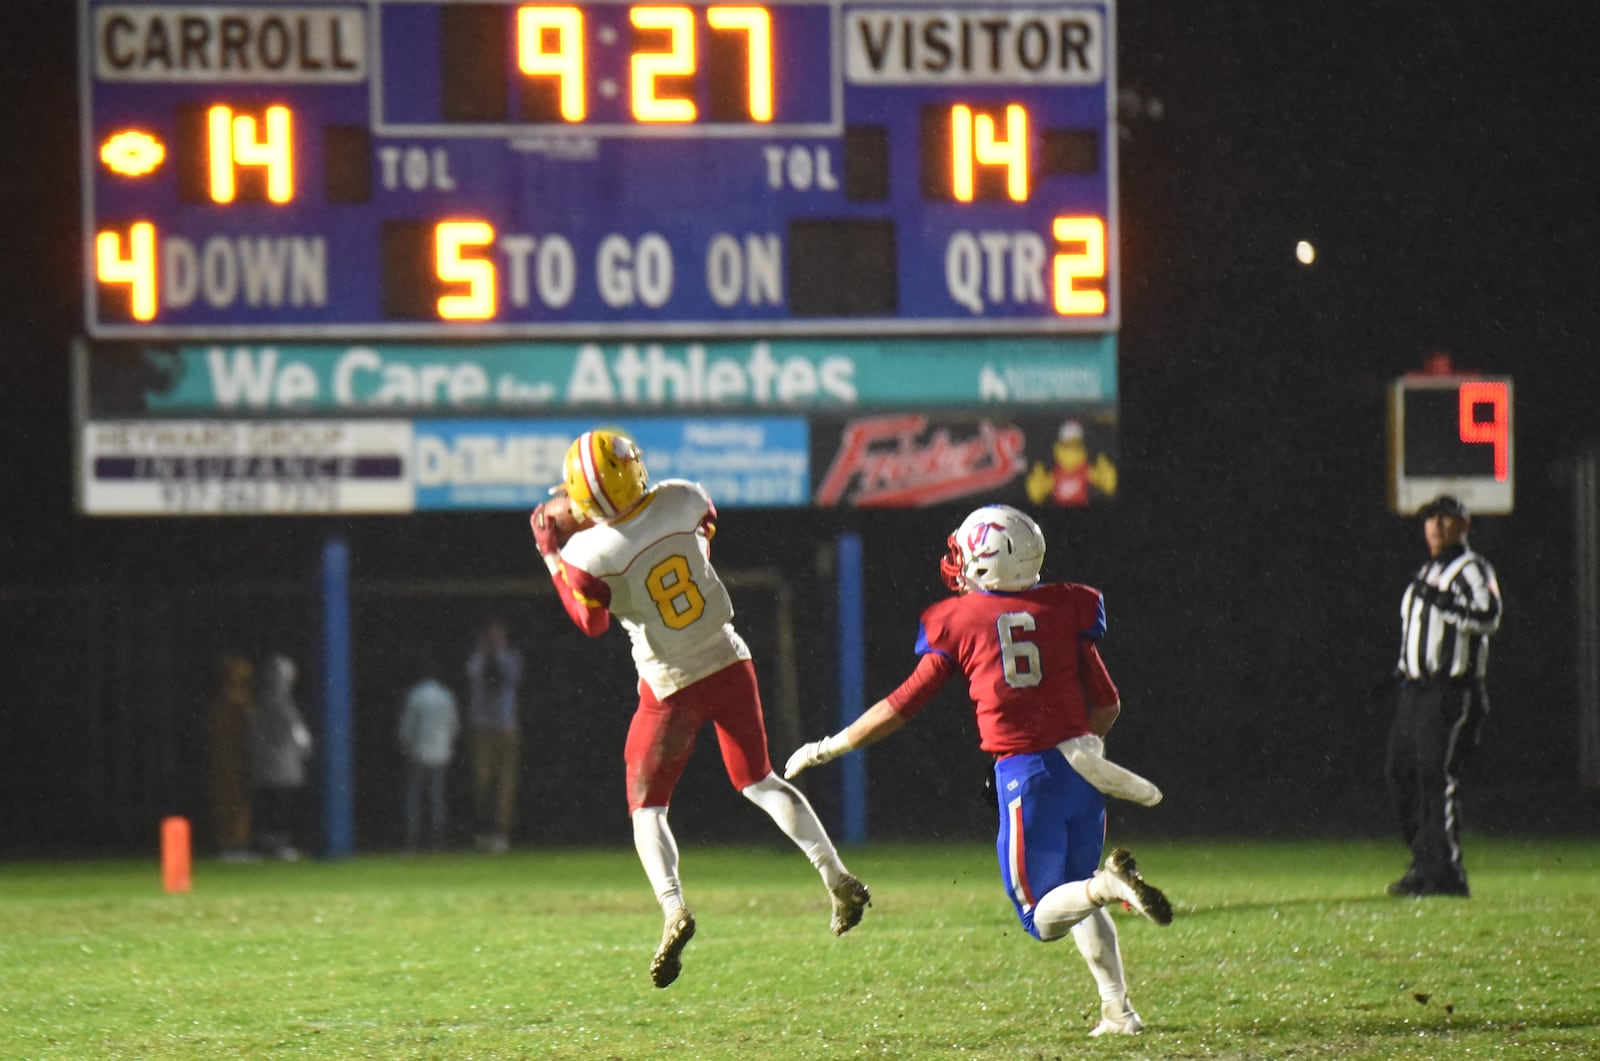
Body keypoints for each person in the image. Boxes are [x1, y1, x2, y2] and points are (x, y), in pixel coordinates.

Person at [785, 504, 1171, 1037]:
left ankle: (1110, 885)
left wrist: (828, 747)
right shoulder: (1067, 606)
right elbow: (1107, 703)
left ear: (988, 560)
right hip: (1084, 769)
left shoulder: (960, 620)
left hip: (1026, 774)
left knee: (1043, 917)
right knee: (1074, 889)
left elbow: (901, 704)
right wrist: (1086, 748)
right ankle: (1119, 1010)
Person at [529, 428, 870, 990]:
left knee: (648, 809)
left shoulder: (587, 554)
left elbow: (589, 621)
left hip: (669, 684)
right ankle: (835, 877)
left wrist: (552, 553)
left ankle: (672, 908)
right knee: (760, 780)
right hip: (728, 658)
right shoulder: (685, 496)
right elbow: (697, 532)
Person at [1384, 494, 1502, 898]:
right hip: (1416, 691)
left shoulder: (1472, 568)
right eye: (1430, 519)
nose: (1435, 526)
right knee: (1401, 773)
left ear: (1463, 525)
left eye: (1445, 519)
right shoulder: (1427, 570)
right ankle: (1425, 864)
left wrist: (1449, 605)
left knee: (1436, 777)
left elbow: (1489, 614)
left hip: (1450, 690)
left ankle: (1446, 873)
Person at [466, 617, 523, 854]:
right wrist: (484, 650)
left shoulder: (511, 658)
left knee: (505, 782)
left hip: (505, 726)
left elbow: (512, 678)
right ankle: (482, 829)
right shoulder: (477, 659)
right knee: (482, 779)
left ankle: (501, 832)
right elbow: (472, 674)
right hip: (482, 726)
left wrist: (498, 653)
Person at [250, 652, 313, 861]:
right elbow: (295, 733)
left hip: (267, 765)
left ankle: (269, 846)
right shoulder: (280, 704)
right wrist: (304, 748)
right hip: (282, 765)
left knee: (270, 807)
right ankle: (277, 847)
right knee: (278, 807)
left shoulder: (262, 701)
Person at [399, 661, 461, 852]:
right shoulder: (446, 696)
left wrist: (404, 744)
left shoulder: (415, 695)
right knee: (437, 797)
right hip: (441, 752)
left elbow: (407, 726)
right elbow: (454, 725)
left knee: (415, 797)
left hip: (419, 751)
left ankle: (412, 839)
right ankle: (437, 840)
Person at [207, 653, 257, 861]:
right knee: (229, 802)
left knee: (242, 803)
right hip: (226, 760)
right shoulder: (225, 703)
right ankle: (230, 845)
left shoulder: (243, 701)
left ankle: (238, 844)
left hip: (241, 758)